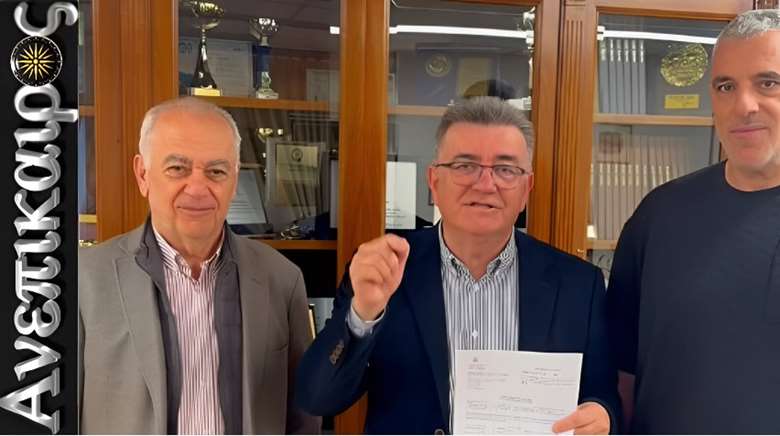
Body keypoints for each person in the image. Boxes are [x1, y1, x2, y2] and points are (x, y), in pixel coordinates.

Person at [296, 96, 620, 434]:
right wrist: (361, 316)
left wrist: (603, 417)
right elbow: (317, 398)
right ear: (434, 181)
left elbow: (603, 397)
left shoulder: (578, 285)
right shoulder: (386, 270)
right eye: (466, 166)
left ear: (526, 188)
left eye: (505, 169)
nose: (486, 184)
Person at [78, 97, 320, 434]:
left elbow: (303, 415)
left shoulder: (282, 279)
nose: (197, 188)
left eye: (216, 171)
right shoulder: (85, 280)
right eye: (177, 168)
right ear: (143, 174)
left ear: (234, 179)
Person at [606, 9, 780, 434]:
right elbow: (621, 372)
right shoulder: (659, 216)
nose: (744, 106)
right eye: (726, 86)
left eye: (768, 83)